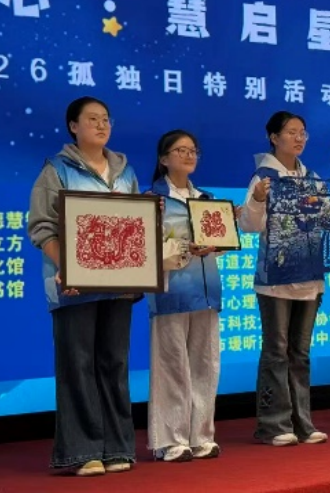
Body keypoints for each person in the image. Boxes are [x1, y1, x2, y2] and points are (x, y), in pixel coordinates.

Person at [27, 96, 141, 476]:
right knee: (78, 364)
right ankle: (83, 452)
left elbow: (136, 227)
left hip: (119, 284)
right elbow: (42, 227)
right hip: (72, 284)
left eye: (106, 119)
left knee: (114, 361)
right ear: (73, 126)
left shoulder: (125, 172)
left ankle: (117, 447)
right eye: (92, 119)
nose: (102, 125)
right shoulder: (56, 170)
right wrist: (70, 267)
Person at [238, 111, 329, 447]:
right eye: (291, 132)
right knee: (277, 351)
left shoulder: (313, 178)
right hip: (275, 279)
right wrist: (259, 199)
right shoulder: (263, 177)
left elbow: (327, 220)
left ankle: (302, 422)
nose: (299, 137)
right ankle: (273, 424)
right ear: (273, 137)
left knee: (300, 353)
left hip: (310, 276)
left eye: (303, 132)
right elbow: (249, 225)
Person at [146, 130, 224, 463]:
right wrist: (184, 247)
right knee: (171, 366)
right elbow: (145, 247)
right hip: (171, 290)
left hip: (207, 291)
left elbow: (218, 244)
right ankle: (170, 439)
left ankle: (202, 436)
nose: (189, 155)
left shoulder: (206, 198)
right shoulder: (153, 199)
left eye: (193, 150)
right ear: (164, 159)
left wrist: (220, 241)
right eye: (181, 150)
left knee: (206, 365)